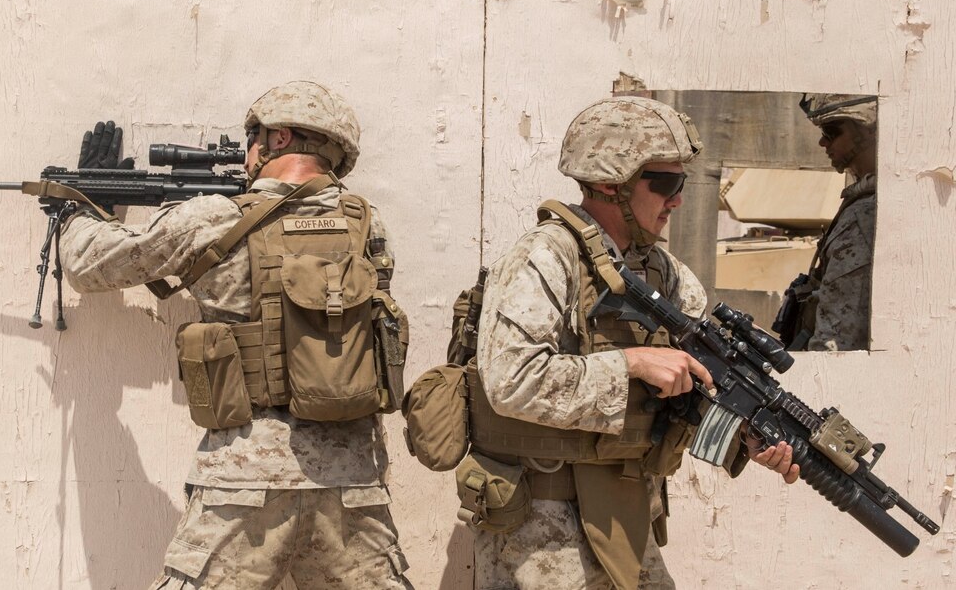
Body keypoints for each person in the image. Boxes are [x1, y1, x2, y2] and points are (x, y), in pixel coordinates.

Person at [59, 81, 413, 589]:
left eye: (253, 139)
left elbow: (90, 265)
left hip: (242, 479)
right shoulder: (368, 225)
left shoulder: (215, 218)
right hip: (351, 479)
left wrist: (84, 201)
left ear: (279, 138)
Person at [469, 96, 798, 590]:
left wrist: (746, 436)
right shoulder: (545, 256)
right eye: (665, 183)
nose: (678, 200)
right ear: (609, 183)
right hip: (544, 532)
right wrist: (630, 363)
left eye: (681, 183)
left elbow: (697, 388)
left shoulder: (667, 274)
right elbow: (509, 381)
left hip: (628, 521)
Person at [779, 94, 877, 352]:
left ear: (868, 130)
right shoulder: (862, 200)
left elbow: (836, 340)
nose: (823, 141)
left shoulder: (864, 215)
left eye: (831, 131)